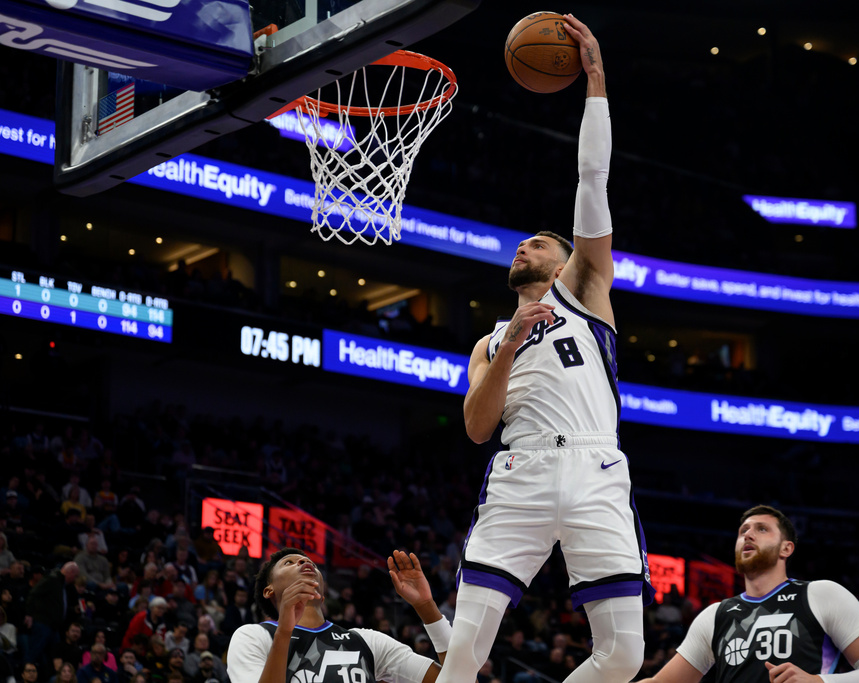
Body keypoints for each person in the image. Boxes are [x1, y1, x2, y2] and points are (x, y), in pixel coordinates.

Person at [447, 14, 649, 683]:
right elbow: (478, 427)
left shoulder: (585, 288)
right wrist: (509, 348)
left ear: (564, 261)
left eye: (539, 242)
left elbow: (593, 180)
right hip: (520, 473)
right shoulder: (487, 340)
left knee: (623, 655)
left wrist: (595, 82)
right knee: (465, 651)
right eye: (521, 243)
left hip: (594, 466)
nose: (523, 247)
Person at [640, 505, 859, 683]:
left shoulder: (822, 594)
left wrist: (818, 681)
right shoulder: (715, 616)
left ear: (787, 548)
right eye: (743, 531)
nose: (748, 534)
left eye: (762, 529)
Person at [226, 548, 449, 683]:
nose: (304, 562)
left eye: (309, 562)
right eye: (289, 563)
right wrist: (284, 632)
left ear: (322, 594)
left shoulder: (366, 641)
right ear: (269, 590)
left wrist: (426, 607)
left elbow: (460, 679)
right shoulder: (253, 636)